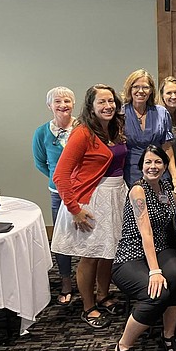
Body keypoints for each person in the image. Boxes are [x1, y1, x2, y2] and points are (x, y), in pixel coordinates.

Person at [52, 84, 128, 329]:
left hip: (115, 195)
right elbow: (60, 175)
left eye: (111, 101)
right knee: (90, 256)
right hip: (92, 200)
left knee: (108, 253)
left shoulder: (114, 128)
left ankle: (103, 295)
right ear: (91, 107)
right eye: (101, 102)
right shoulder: (82, 132)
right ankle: (88, 306)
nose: (108, 106)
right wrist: (74, 209)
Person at [112, 145, 176, 351]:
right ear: (141, 165)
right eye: (148, 162)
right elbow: (146, 233)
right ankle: (123, 347)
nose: (152, 167)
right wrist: (155, 271)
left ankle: (168, 336)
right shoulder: (138, 191)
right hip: (131, 254)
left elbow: (168, 224)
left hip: (161, 248)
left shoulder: (164, 188)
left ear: (165, 166)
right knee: (157, 293)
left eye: (157, 162)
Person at [32, 86, 78, 306]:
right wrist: (58, 179)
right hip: (57, 194)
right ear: (49, 105)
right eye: (58, 102)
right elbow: (41, 163)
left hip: (83, 191)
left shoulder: (83, 128)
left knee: (90, 237)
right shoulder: (41, 133)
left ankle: (91, 283)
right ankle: (66, 282)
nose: (63, 106)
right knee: (61, 239)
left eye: (67, 101)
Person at [122, 69, 176, 191]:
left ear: (151, 90)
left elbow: (167, 148)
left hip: (159, 172)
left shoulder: (161, 112)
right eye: (136, 87)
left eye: (145, 87)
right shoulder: (120, 113)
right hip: (131, 174)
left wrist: (175, 177)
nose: (141, 91)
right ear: (130, 89)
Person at [159, 76, 176, 181]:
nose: (174, 96)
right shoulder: (157, 117)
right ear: (162, 95)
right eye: (169, 93)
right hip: (158, 173)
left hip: (174, 172)